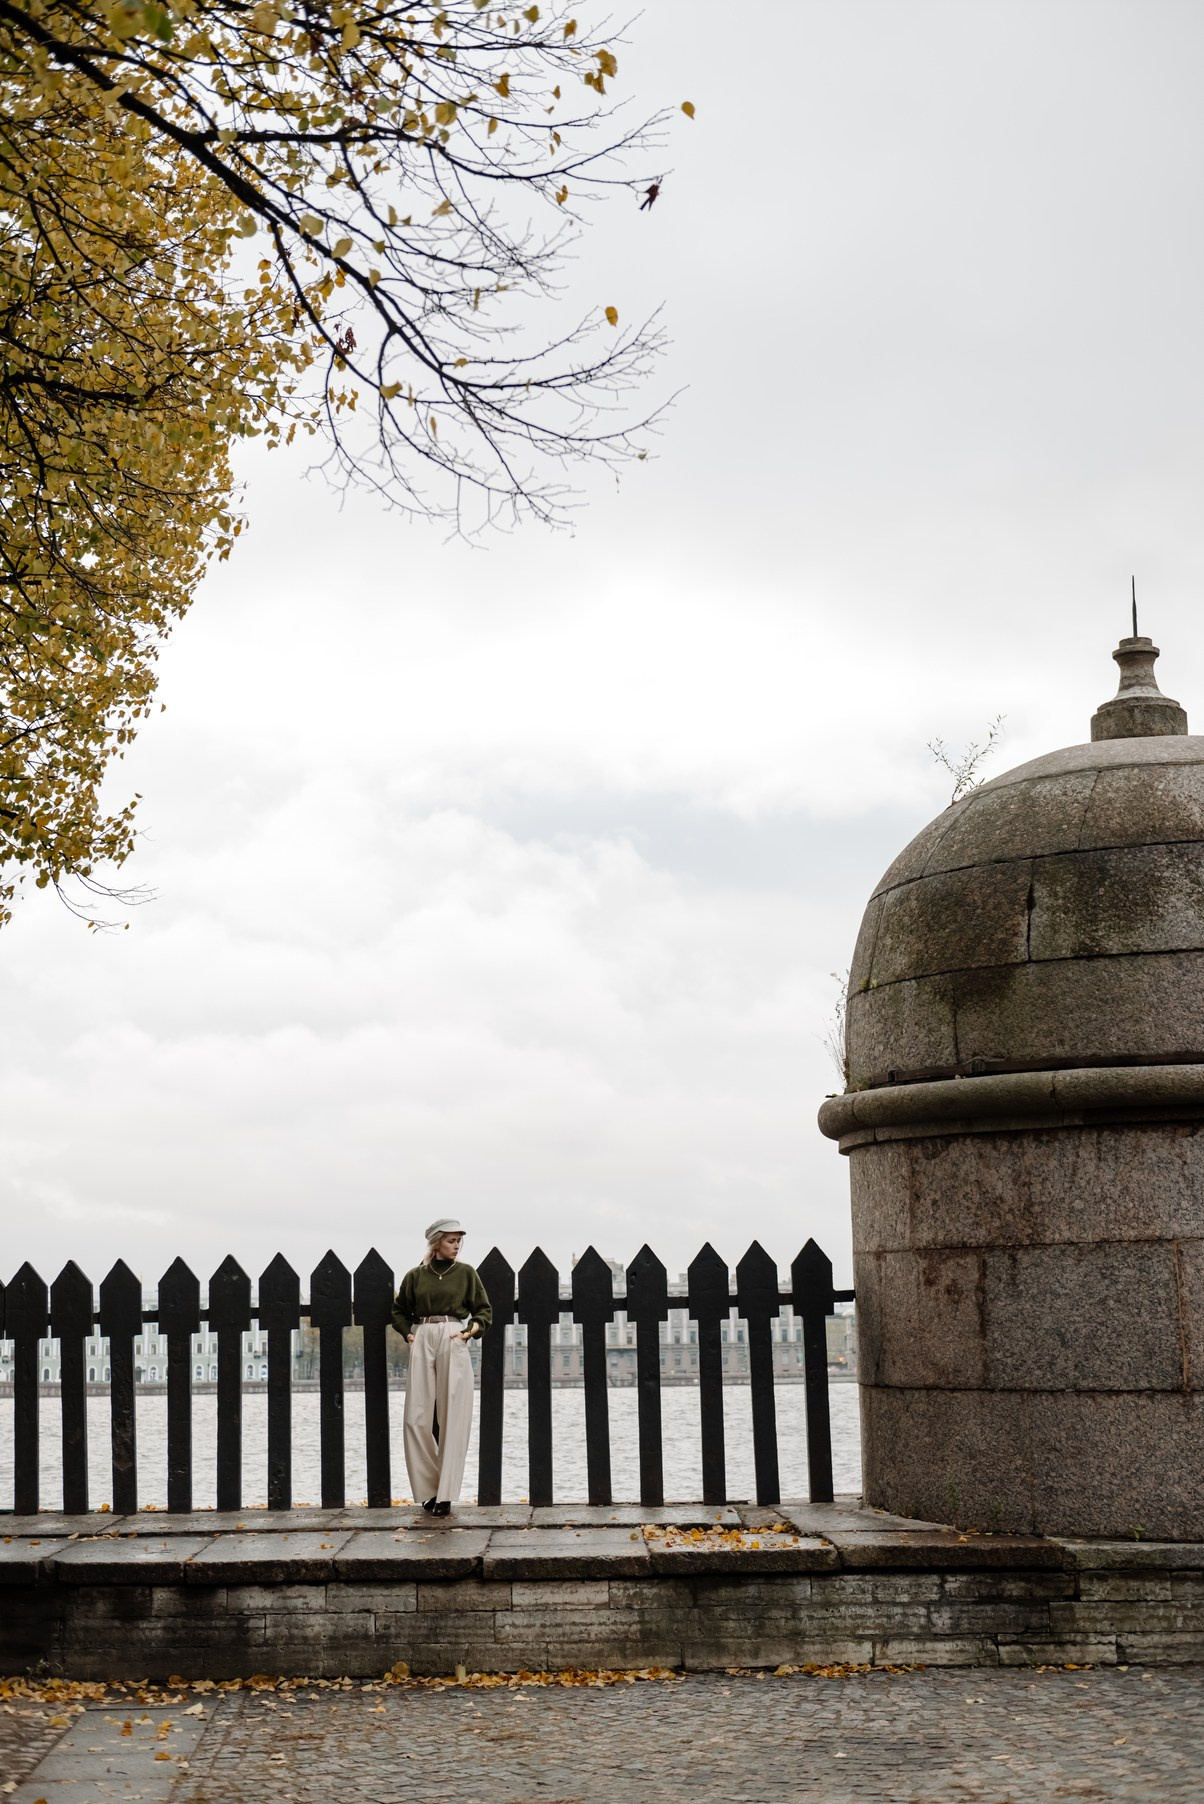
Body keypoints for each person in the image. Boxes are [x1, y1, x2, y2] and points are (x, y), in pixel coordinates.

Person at [391, 1218, 491, 1516]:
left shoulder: (466, 1273)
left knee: (453, 1414)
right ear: (436, 1242)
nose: (457, 1245)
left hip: (452, 1334)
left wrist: (469, 1332)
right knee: (415, 1417)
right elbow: (399, 1310)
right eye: (451, 1240)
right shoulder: (415, 1276)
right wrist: (408, 1332)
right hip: (423, 1335)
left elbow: (483, 1310)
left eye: (459, 1240)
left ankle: (445, 1494)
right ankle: (428, 1489)